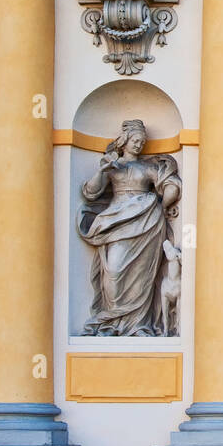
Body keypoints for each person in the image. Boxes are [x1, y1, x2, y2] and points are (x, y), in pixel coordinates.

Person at [77, 119, 181, 336]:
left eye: (141, 142)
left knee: (142, 275)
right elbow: (90, 192)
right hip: (117, 221)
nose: (138, 145)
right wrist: (103, 171)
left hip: (147, 222)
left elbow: (171, 184)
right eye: (135, 140)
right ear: (124, 142)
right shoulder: (112, 166)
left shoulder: (148, 167)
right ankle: (112, 322)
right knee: (114, 270)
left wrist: (162, 206)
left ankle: (138, 325)